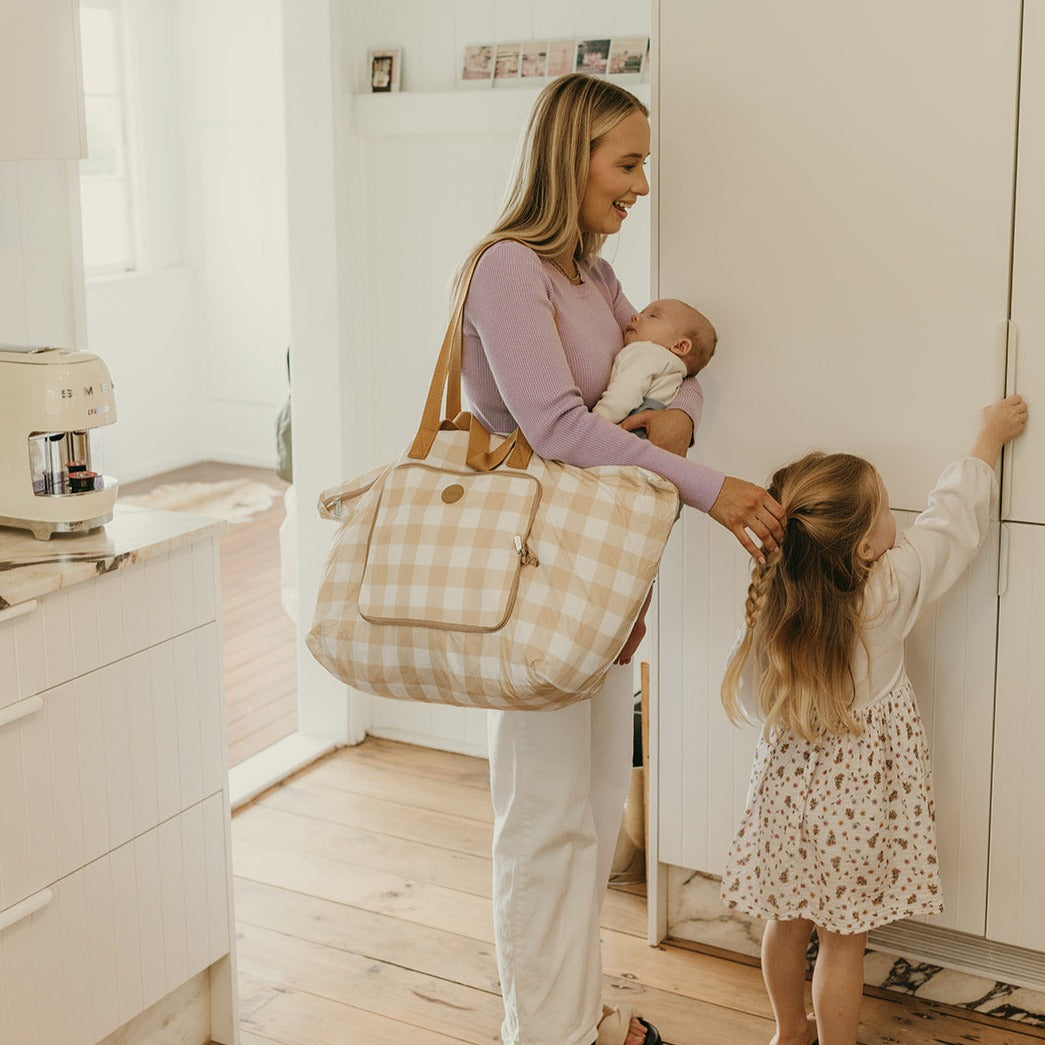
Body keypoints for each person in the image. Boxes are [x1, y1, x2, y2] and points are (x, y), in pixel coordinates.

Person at [455, 71, 787, 1045]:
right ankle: (546, 1032)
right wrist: (705, 482)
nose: (640, 185)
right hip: (535, 583)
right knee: (543, 825)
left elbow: (667, 374)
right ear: (573, 156)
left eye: (643, 163)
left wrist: (681, 417)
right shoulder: (507, 269)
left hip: (596, 587)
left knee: (591, 821)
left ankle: (575, 1014)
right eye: (627, 162)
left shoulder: (593, 277)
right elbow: (557, 429)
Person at [718, 394, 1029, 1045]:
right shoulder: (890, 585)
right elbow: (951, 524)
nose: (897, 519)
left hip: (784, 806)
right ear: (863, 544)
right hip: (855, 813)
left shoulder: (775, 599)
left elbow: (751, 699)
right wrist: (987, 440)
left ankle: (787, 1032)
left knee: (785, 922)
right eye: (887, 510)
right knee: (840, 943)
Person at [592, 297, 717, 434]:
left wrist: (596, 420)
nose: (635, 316)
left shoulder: (646, 352)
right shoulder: (673, 369)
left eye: (652, 316)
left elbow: (625, 393)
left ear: (680, 346)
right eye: (641, 312)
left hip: (629, 431)